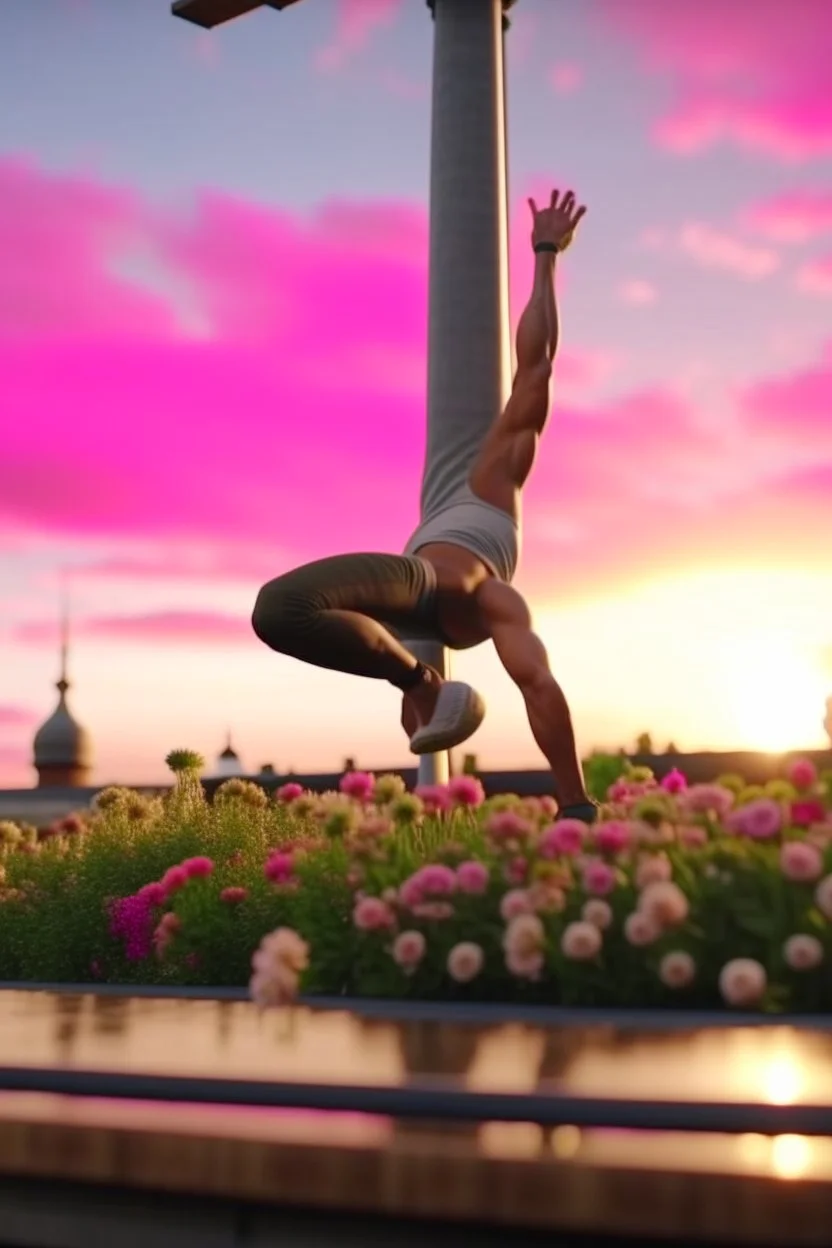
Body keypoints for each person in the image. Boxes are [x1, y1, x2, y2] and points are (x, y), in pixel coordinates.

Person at [252, 189, 596, 823]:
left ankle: (421, 686)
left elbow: (536, 368)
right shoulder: (494, 586)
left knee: (279, 608)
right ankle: (421, 689)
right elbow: (539, 686)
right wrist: (574, 804)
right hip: (423, 618)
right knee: (294, 622)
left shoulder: (494, 486)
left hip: (426, 592)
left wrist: (546, 254)